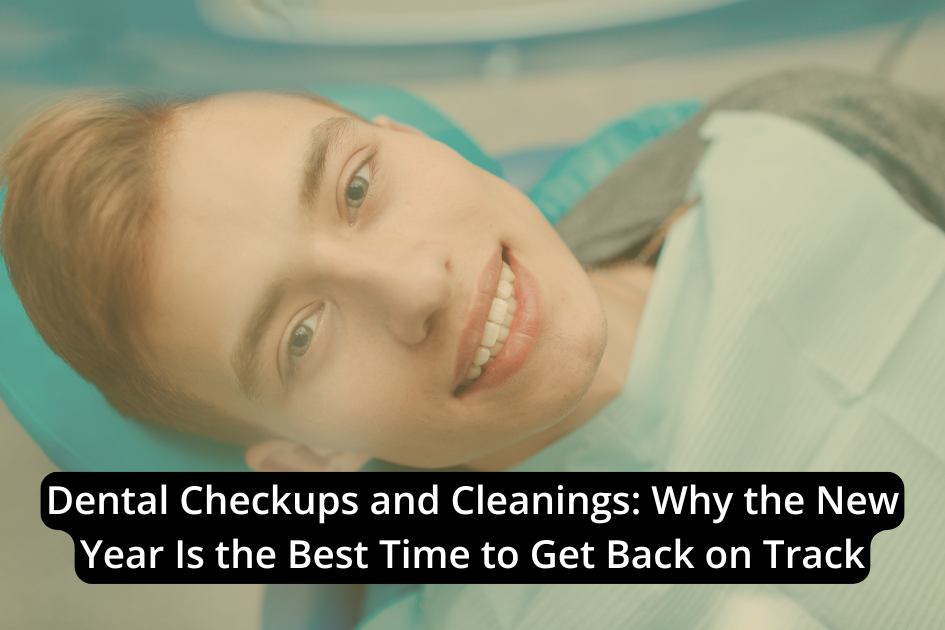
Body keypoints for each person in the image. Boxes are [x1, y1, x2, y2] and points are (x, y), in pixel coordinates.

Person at [3, 68, 945, 628]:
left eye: (357, 188)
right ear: (309, 456)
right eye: (302, 334)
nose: (417, 286)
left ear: (409, 140)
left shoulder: (796, 139)